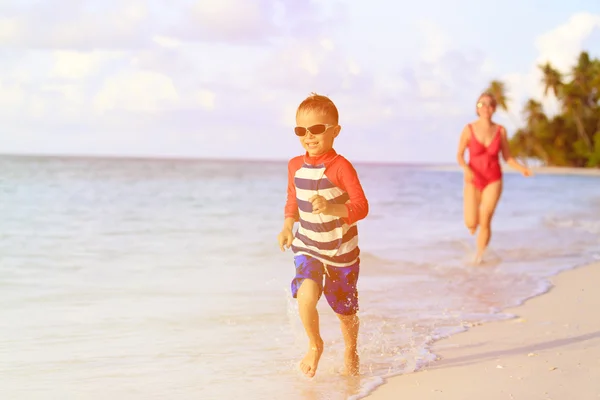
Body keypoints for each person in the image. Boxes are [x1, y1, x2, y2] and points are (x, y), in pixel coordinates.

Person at [277, 93, 369, 378]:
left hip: (341, 252)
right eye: (301, 130)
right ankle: (315, 345)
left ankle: (351, 348)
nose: (309, 136)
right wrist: (287, 226)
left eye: (317, 129)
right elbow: (293, 197)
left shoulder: (341, 167)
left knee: (345, 312)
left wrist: (332, 207)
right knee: (305, 294)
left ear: (334, 131)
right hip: (308, 244)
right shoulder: (295, 165)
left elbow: (361, 207)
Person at [456, 92, 533, 264]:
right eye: (481, 104)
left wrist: (522, 169)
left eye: (489, 104)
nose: (485, 107)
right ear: (476, 108)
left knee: (485, 217)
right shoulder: (468, 129)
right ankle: (474, 234)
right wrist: (466, 169)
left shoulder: (500, 131)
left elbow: (508, 157)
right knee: (471, 222)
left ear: (494, 108)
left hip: (493, 179)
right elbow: (460, 155)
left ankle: (479, 257)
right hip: (473, 179)